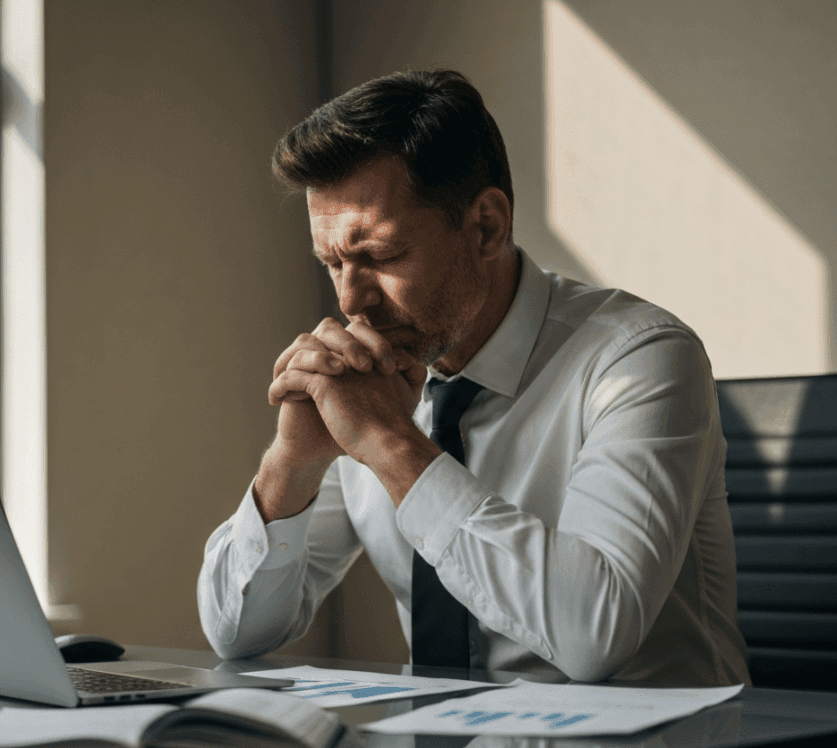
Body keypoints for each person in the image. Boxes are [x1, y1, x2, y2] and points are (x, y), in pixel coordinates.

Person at [198, 69, 749, 686]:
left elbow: (596, 633)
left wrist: (391, 446)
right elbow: (235, 634)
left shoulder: (639, 359)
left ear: (485, 226)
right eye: (333, 262)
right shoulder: (370, 379)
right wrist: (290, 462)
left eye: (380, 256)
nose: (351, 300)